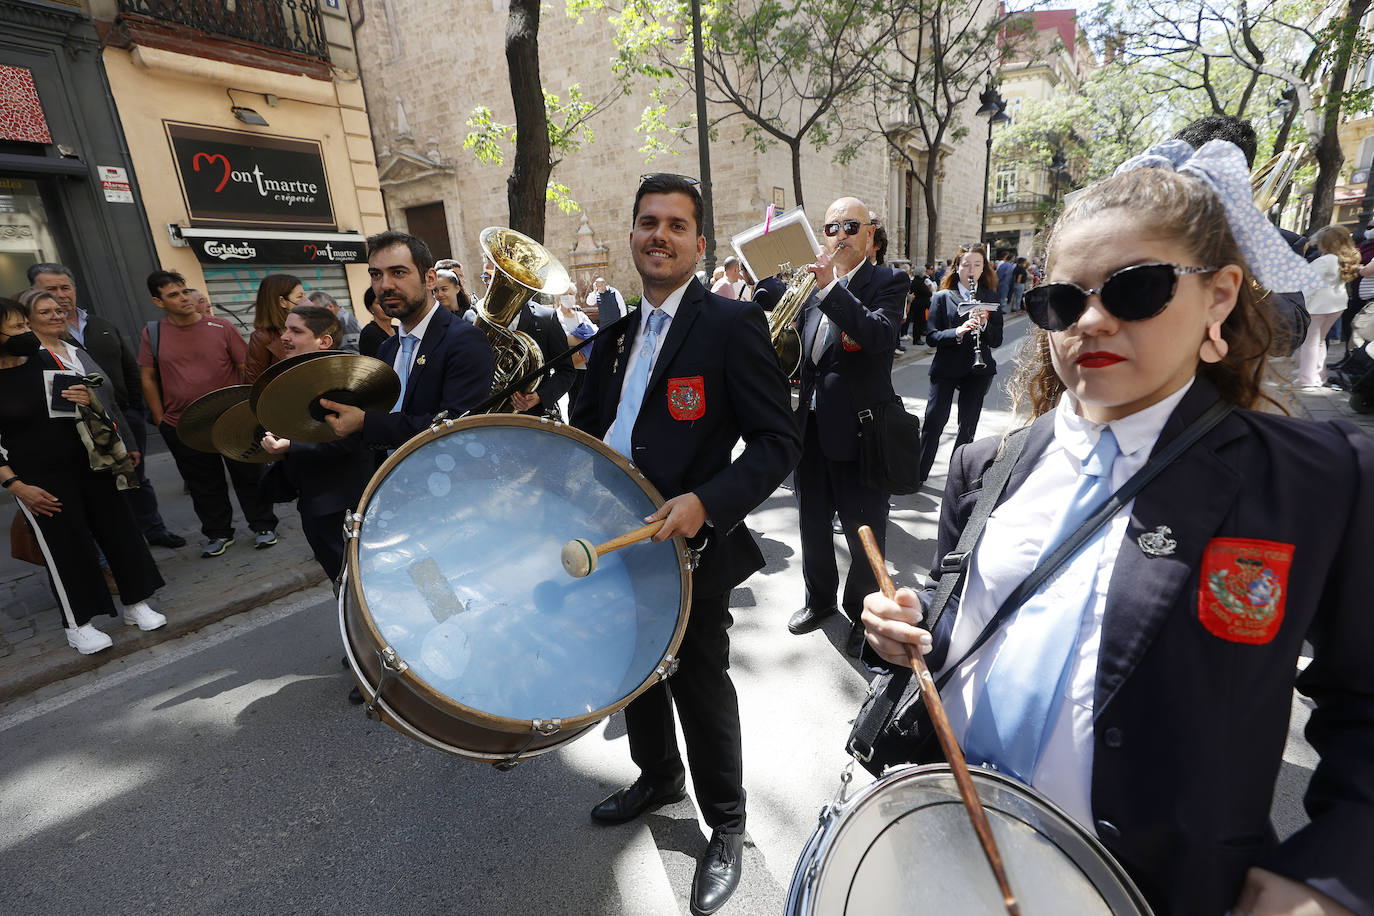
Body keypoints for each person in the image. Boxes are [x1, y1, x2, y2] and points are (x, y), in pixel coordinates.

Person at [861, 139, 1372, 915]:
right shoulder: (986, 465)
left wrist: (1327, 876)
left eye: (1135, 289)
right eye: (1064, 301)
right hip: (947, 864)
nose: (1092, 320)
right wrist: (903, 625)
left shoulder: (1319, 478)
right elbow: (953, 605)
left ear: (1221, 297)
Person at [571, 174, 800, 916]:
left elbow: (776, 444)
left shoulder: (732, 327)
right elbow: (597, 437)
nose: (658, 235)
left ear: (700, 244)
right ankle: (658, 775)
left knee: (701, 687)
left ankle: (727, 826)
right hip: (616, 547)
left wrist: (707, 503)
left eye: (675, 225)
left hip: (692, 552)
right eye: (647, 222)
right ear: (632, 234)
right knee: (634, 674)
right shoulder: (609, 338)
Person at [0, 296, 167, 654]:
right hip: (37, 479)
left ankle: (136, 604)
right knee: (66, 548)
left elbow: (82, 403)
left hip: (89, 462)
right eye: (17, 327)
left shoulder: (44, 358)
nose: (27, 331)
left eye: (26, 325)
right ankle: (79, 624)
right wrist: (16, 486)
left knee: (120, 532)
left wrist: (86, 398)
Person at [787, 196, 908, 656]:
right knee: (811, 524)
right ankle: (818, 600)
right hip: (811, 426)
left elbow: (878, 336)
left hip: (862, 430)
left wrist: (830, 291)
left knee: (864, 531)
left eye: (850, 226)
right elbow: (804, 355)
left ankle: (860, 612)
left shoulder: (888, 282)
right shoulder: (811, 287)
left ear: (870, 235)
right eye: (831, 226)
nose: (839, 234)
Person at [29, 262, 184, 549]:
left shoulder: (101, 325)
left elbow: (130, 369)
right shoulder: (34, 344)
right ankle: (120, 545)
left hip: (122, 416)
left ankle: (153, 530)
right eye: (51, 289)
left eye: (66, 287)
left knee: (136, 478)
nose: (61, 295)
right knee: (103, 493)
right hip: (76, 430)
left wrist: (135, 411)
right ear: (34, 294)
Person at [138, 270, 279, 557]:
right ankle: (218, 533)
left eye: (185, 291)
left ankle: (263, 525)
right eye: (173, 295)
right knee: (204, 484)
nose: (184, 298)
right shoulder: (152, 333)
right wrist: (159, 417)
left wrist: (250, 410)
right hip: (183, 423)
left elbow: (245, 368)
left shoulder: (221, 326)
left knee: (249, 474)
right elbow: (148, 377)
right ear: (158, 301)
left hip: (232, 420)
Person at [321, 230, 495, 454]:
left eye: (398, 273)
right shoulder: (388, 348)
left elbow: (459, 428)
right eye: (376, 275)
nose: (385, 285)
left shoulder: (465, 340)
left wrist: (366, 422)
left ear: (430, 278)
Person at [260, 305, 373, 584]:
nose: (285, 336)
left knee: (358, 582)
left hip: (343, 503)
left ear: (324, 341)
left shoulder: (343, 381)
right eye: (285, 329)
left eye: (296, 331)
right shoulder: (292, 378)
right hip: (314, 500)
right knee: (342, 581)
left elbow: (348, 440)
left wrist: (291, 446)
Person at [916, 244, 1004, 485]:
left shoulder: (990, 298)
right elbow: (931, 337)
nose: (971, 270)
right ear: (957, 267)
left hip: (978, 370)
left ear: (983, 268)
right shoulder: (943, 297)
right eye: (966, 264)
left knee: (967, 427)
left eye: (977, 265)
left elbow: (996, 340)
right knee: (934, 421)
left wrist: (984, 324)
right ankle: (918, 475)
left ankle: (956, 480)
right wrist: (958, 331)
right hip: (946, 368)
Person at [1296, 226, 1359, 388]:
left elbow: (1307, 284)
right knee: (1319, 341)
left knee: (1310, 342)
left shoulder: (1325, 261)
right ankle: (1319, 375)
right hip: (1336, 305)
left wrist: (1302, 303)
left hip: (1319, 307)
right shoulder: (1344, 259)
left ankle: (1307, 378)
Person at [245, 273, 305, 383]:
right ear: (282, 301)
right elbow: (253, 384)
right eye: (300, 297)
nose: (306, 301)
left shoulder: (309, 328)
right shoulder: (261, 338)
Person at [356, 287, 393, 359]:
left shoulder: (399, 329)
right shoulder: (369, 332)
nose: (386, 306)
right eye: (379, 303)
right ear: (370, 308)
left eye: (389, 301)